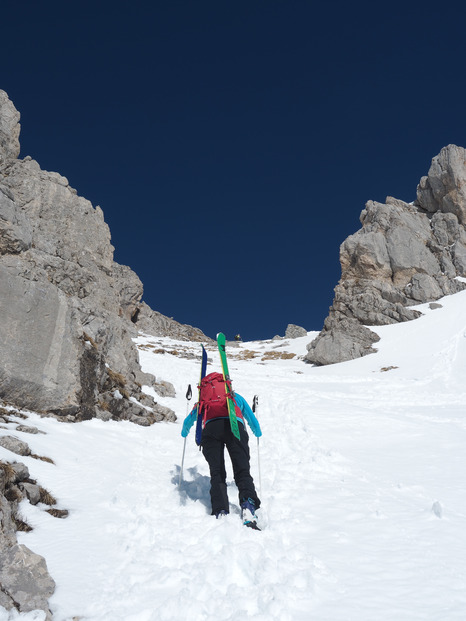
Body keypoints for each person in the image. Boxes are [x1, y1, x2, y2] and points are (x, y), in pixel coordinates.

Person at [181, 374, 262, 528]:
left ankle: (220, 509)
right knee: (242, 470)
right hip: (235, 427)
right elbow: (251, 419)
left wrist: (184, 432)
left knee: (217, 472)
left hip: (211, 430)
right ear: (227, 385)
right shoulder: (234, 397)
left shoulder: (205, 400)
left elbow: (188, 421)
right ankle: (248, 506)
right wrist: (257, 432)